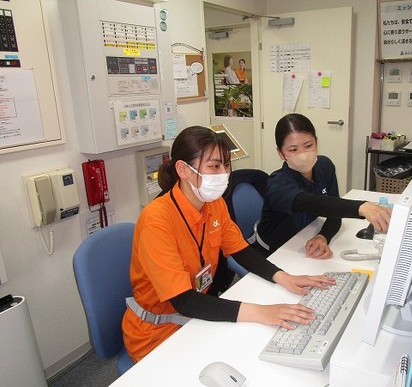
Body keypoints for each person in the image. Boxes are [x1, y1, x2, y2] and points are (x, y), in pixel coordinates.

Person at [122, 126, 335, 362]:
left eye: (226, 165)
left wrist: (284, 277)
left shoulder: (213, 204)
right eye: (214, 166)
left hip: (196, 317)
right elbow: (184, 300)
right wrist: (261, 312)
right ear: (183, 169)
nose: (224, 174)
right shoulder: (157, 221)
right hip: (158, 333)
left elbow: (241, 251)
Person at [254, 113, 392, 259]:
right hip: (273, 251)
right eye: (293, 150)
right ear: (281, 153)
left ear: (316, 143)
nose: (303, 154)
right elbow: (309, 203)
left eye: (308, 146)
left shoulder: (324, 166)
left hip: (303, 241)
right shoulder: (278, 183)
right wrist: (361, 207)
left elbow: (334, 213)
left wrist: (323, 236)